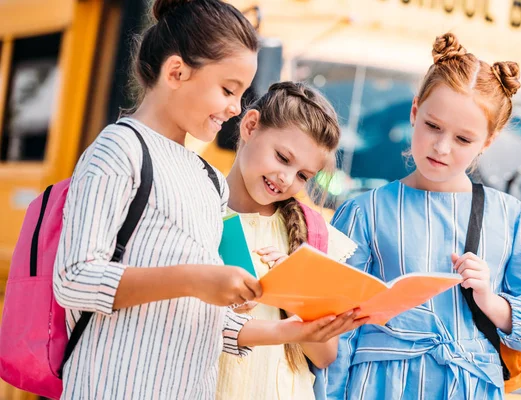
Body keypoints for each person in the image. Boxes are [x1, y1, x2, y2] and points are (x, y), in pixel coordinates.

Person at [53, 1, 361, 398]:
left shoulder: (206, 180)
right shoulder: (119, 149)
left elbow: (208, 323)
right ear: (176, 72)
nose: (236, 108)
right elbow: (74, 280)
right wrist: (196, 280)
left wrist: (291, 329)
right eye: (228, 90)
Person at [326, 32, 521, 399]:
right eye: (433, 126)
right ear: (414, 112)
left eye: (463, 139)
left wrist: (492, 301)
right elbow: (336, 331)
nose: (441, 147)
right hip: (377, 387)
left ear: (488, 141)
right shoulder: (363, 212)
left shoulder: (515, 220)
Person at [217, 81, 360, 400]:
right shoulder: (197, 210)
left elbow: (324, 355)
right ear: (250, 126)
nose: (286, 179)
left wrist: (295, 290)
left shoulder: (313, 235)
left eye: (303, 176)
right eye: (282, 158)